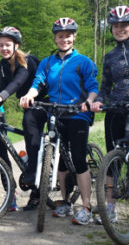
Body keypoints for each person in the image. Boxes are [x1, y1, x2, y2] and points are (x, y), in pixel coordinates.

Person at [20, 18, 99, 225]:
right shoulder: (47, 63)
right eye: (60, 35)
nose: (64, 39)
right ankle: (65, 202)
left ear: (74, 37)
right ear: (55, 38)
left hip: (77, 113)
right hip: (56, 114)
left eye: (68, 35)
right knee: (61, 161)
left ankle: (87, 207)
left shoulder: (83, 61)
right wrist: (30, 95)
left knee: (79, 159)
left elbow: (92, 86)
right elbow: (38, 82)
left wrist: (89, 102)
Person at [91, 6, 129, 223]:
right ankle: (110, 208)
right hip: (117, 108)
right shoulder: (110, 56)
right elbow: (105, 86)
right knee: (112, 160)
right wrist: (98, 101)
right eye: (116, 26)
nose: (120, 29)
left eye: (124, 25)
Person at [0, 26, 47, 211]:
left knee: (29, 123)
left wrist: (0, 96)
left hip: (42, 101)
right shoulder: (4, 64)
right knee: (24, 131)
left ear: (16, 45)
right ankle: (27, 171)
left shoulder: (26, 61)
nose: (4, 48)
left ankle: (35, 186)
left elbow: (18, 82)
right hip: (27, 102)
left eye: (8, 45)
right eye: (1, 45)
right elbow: (5, 86)